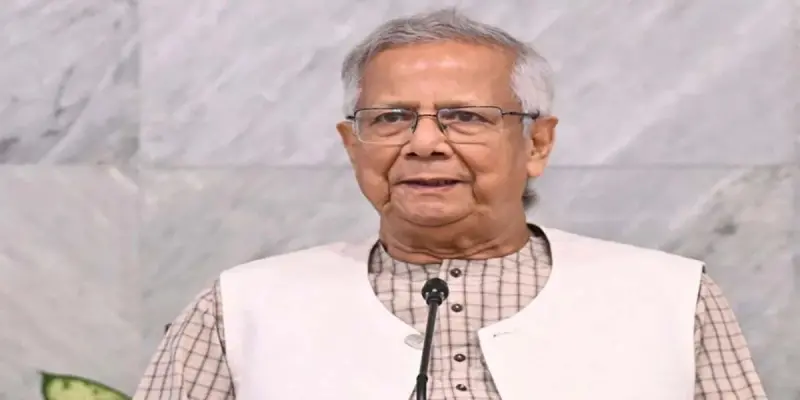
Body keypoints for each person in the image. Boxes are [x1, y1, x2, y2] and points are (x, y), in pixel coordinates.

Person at [133, 8, 767, 400]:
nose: (425, 144)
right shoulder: (241, 306)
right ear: (353, 146)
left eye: (466, 116)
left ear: (536, 143)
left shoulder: (672, 296)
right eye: (391, 118)